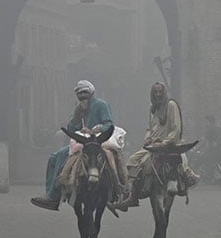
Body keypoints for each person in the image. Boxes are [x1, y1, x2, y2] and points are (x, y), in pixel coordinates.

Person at [111, 82, 199, 211]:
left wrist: (165, 142)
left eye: (160, 92)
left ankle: (185, 180)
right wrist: (148, 138)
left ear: (164, 93)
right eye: (155, 92)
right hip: (154, 146)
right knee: (133, 160)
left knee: (181, 163)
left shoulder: (171, 105)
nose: (158, 94)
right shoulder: (153, 109)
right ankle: (131, 196)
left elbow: (176, 128)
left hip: (170, 145)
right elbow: (149, 128)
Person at [30, 80, 113, 211]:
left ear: (91, 93)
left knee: (114, 159)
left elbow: (108, 124)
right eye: (80, 94)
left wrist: (93, 131)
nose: (82, 96)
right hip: (82, 142)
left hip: (99, 141)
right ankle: (52, 196)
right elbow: (72, 128)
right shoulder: (79, 108)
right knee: (54, 157)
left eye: (85, 92)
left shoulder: (101, 105)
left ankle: (119, 190)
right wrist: (76, 117)